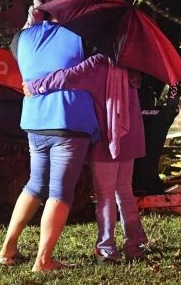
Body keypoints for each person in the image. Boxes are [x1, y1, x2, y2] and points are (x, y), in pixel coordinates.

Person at [0, 0, 100, 271]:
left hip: (34, 122)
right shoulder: (80, 36)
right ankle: (43, 260)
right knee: (60, 192)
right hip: (68, 121)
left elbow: (23, 49)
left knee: (35, 184)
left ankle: (8, 248)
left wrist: (32, 21)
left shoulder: (22, 39)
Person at [23, 53, 150, 264]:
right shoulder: (132, 65)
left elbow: (64, 77)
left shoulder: (97, 63)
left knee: (105, 196)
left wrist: (34, 86)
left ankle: (107, 249)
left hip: (107, 137)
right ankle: (135, 245)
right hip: (130, 138)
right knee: (125, 191)